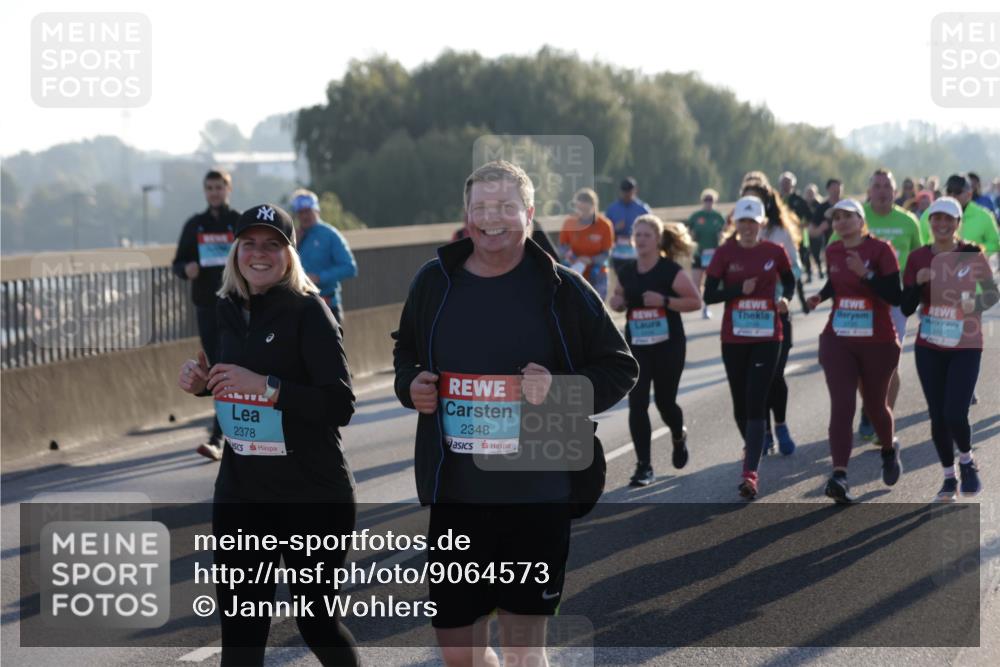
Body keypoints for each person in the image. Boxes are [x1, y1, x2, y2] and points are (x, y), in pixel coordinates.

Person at [391, 160, 638, 667]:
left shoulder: (562, 288)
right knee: (461, 655)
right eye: (481, 207)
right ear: (467, 214)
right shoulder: (433, 283)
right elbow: (407, 352)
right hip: (457, 499)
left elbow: (620, 367)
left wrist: (562, 389)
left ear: (528, 212)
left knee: (526, 653)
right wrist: (408, 383)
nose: (491, 219)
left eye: (505, 207)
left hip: (535, 497)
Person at [177, 204, 359, 666]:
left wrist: (268, 387)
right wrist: (204, 386)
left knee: (316, 622)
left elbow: (339, 405)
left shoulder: (310, 312)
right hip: (242, 494)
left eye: (272, 244)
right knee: (240, 634)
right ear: (236, 251)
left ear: (288, 254)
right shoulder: (226, 309)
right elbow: (230, 383)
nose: (260, 254)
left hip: (312, 494)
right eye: (250, 244)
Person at [806, 199, 903, 504]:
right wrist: (819, 297)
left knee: (875, 406)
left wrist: (866, 274)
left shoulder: (881, 250)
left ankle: (888, 450)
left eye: (847, 216)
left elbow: (894, 296)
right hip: (839, 338)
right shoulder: (833, 250)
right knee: (843, 403)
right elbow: (835, 283)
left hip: (878, 340)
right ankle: (840, 475)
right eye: (836, 217)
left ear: (861, 221)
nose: (841, 222)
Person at [902, 197, 998, 501]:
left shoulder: (971, 254)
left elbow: (992, 295)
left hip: (966, 343)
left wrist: (972, 304)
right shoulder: (918, 258)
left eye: (948, 220)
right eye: (936, 219)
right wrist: (917, 284)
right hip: (930, 344)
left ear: (958, 224)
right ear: (929, 222)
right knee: (937, 416)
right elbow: (905, 307)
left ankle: (967, 461)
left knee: (955, 413)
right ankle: (947, 477)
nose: (941, 225)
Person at [703, 196, 795, 500]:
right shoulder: (724, 253)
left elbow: (790, 281)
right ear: (735, 224)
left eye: (752, 222)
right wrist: (736, 290)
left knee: (756, 400)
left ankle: (750, 474)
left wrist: (787, 300)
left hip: (769, 336)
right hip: (734, 338)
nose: (747, 228)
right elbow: (709, 295)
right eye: (742, 222)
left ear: (761, 224)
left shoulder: (774, 251)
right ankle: (753, 445)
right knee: (740, 407)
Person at [831, 169, 925, 444]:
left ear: (894, 192)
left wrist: (919, 288)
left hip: (894, 300)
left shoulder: (908, 222)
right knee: (860, 364)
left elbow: (919, 257)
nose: (882, 191)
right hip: (858, 302)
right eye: (877, 186)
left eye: (887, 186)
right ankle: (870, 407)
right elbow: (833, 254)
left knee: (890, 364)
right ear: (869, 190)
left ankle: (883, 419)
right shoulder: (855, 218)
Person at [609, 215, 702, 486]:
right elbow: (618, 298)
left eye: (646, 235)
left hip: (668, 346)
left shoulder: (669, 270)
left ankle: (678, 434)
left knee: (665, 402)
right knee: (637, 402)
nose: (640, 240)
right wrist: (617, 302)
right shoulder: (627, 271)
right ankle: (644, 466)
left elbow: (694, 301)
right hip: (637, 346)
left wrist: (664, 300)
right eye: (637, 235)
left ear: (658, 239)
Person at [172, 169, 241, 461]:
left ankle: (221, 435)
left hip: (236, 304)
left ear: (228, 189)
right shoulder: (195, 225)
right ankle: (220, 435)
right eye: (210, 188)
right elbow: (177, 263)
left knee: (232, 365)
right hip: (207, 308)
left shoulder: (238, 221)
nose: (214, 192)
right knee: (217, 368)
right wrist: (186, 269)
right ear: (205, 191)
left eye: (219, 187)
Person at [743, 180, 803, 456]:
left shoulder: (779, 233)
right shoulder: (736, 238)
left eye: (757, 201)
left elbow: (797, 270)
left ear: (767, 204)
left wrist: (780, 287)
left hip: (777, 311)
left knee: (775, 374)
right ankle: (763, 432)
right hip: (747, 317)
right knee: (754, 378)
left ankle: (780, 425)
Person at [289, 189, 358, 325]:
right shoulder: (294, 237)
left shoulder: (330, 235)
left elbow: (350, 267)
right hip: (300, 306)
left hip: (327, 305)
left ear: (317, 210)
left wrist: (320, 277)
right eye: (301, 212)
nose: (304, 216)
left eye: (308, 211)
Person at [918, 174, 999, 257]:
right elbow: (922, 243)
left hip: (972, 266)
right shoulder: (929, 214)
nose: (952, 195)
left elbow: (995, 244)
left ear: (969, 194)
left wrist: (974, 251)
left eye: (958, 191)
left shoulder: (984, 216)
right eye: (949, 191)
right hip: (936, 266)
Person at [558, 188, 614, 299]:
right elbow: (562, 247)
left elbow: (606, 253)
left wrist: (591, 260)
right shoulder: (569, 222)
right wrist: (573, 258)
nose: (582, 214)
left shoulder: (605, 225)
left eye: (586, 209)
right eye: (579, 209)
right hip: (575, 268)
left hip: (597, 271)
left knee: (597, 304)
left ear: (594, 206)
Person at [686, 188, 727, 319]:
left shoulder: (718, 216)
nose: (708, 202)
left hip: (713, 255)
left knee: (709, 282)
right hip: (699, 253)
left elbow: (725, 231)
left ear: (714, 201)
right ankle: (699, 305)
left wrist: (721, 236)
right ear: (702, 201)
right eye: (706, 200)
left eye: (711, 200)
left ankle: (706, 308)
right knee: (696, 283)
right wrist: (691, 236)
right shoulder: (696, 216)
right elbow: (687, 231)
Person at [606, 177, 652, 274]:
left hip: (638, 248)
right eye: (624, 191)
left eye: (629, 191)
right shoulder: (612, 209)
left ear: (635, 190)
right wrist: (615, 229)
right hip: (618, 250)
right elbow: (605, 231)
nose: (627, 194)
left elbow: (651, 228)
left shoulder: (643, 209)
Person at [778, 171, 813, 284]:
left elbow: (809, 218)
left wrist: (799, 226)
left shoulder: (799, 200)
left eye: (788, 183)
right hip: (780, 238)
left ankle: (801, 287)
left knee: (798, 264)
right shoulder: (776, 199)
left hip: (797, 239)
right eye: (783, 183)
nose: (785, 186)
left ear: (793, 185)